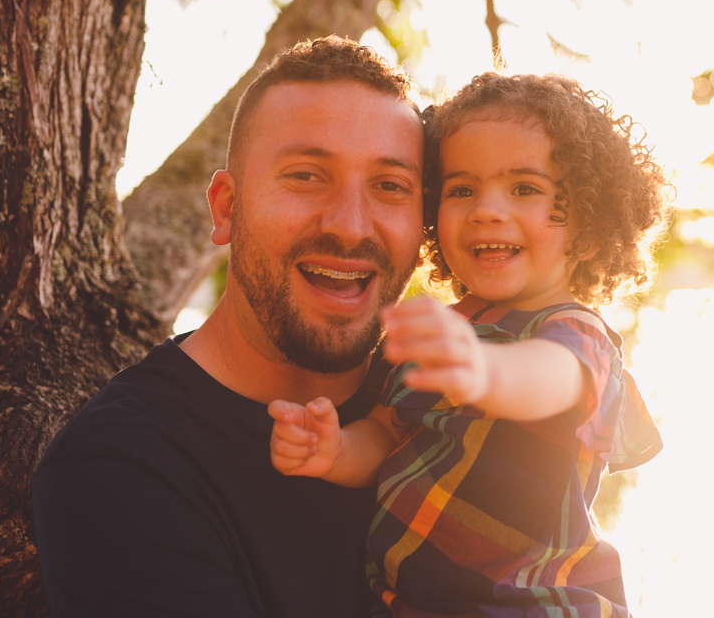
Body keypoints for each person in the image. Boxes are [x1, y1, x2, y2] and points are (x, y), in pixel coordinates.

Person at [32, 36, 426, 617]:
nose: (349, 226)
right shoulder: (121, 468)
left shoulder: (455, 405)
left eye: (390, 186)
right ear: (225, 208)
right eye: (306, 176)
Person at [268, 72, 671, 617]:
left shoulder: (577, 334)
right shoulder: (442, 333)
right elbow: (388, 432)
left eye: (524, 188)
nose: (486, 209)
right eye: (461, 189)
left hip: (532, 603)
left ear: (587, 221)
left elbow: (545, 379)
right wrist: (335, 450)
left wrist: (484, 371)